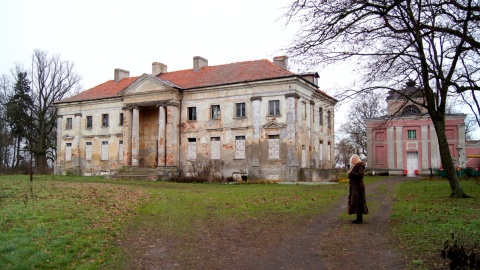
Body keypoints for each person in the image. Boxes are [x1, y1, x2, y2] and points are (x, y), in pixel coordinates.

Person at [347, 154, 368, 224]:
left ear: (358, 159)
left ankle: (359, 219)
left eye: (355, 158)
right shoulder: (354, 166)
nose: (353, 159)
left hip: (358, 187)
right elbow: (351, 176)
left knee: (359, 201)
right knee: (356, 201)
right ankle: (358, 218)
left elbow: (360, 175)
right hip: (354, 186)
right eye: (352, 158)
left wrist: (351, 173)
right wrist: (350, 174)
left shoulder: (360, 165)